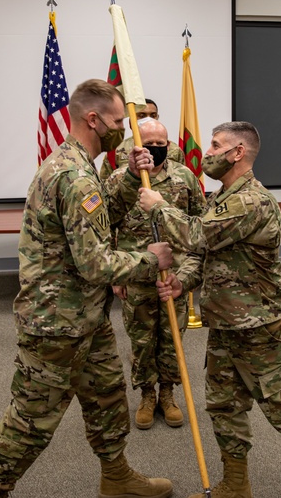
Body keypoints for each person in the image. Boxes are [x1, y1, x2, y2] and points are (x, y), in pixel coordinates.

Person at [136, 121, 281, 498]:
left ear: (237, 152)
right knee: (224, 407)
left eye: (214, 146)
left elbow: (198, 235)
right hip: (225, 324)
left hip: (261, 328)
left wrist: (160, 206)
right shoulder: (223, 197)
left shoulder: (253, 201)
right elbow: (204, 253)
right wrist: (182, 281)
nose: (207, 152)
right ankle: (235, 485)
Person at [0, 79, 175, 498]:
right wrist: (150, 260)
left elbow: (97, 217)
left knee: (106, 398)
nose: (125, 129)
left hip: (87, 317)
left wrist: (126, 178)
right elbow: (95, 263)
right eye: (120, 121)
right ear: (93, 119)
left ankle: (116, 476)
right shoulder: (73, 175)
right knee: (33, 419)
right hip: (57, 325)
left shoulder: (78, 165)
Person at [104, 118, 205, 431]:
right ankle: (147, 395)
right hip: (135, 275)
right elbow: (106, 229)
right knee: (142, 339)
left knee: (172, 338)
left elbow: (200, 227)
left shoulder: (185, 177)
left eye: (161, 145)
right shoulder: (121, 179)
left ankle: (167, 394)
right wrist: (115, 276)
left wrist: (186, 276)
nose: (156, 150)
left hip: (173, 279)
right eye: (149, 144)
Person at [100, 98, 185, 181]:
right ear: (132, 119)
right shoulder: (116, 150)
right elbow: (105, 185)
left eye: (153, 115)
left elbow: (184, 177)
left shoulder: (174, 149)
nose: (148, 119)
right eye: (142, 115)